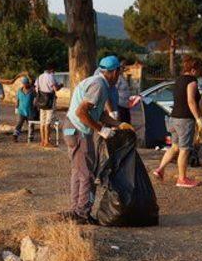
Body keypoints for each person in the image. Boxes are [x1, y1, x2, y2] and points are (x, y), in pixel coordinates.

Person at [61, 55, 132, 224]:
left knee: (79, 172)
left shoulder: (96, 82)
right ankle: (82, 213)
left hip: (73, 129)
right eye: (119, 72)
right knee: (87, 173)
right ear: (114, 72)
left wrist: (118, 124)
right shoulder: (99, 86)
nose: (119, 76)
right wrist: (101, 130)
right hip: (78, 131)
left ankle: (76, 210)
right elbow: (81, 112)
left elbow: (97, 113)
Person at [152, 56, 202, 188]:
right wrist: (198, 119)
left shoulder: (178, 80)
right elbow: (190, 101)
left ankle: (160, 169)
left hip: (173, 117)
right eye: (199, 70)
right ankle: (182, 179)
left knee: (174, 146)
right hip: (185, 119)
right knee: (184, 149)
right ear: (194, 69)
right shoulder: (192, 82)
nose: (200, 74)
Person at [36, 64, 63, 147]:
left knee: (42, 122)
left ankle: (42, 141)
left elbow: (36, 89)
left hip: (41, 101)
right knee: (48, 122)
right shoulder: (50, 77)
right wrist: (61, 85)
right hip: (49, 102)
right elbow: (55, 89)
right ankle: (47, 141)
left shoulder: (39, 77)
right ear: (51, 70)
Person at [13, 76, 35, 142]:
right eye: (23, 83)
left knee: (30, 125)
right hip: (21, 111)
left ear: (28, 83)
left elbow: (36, 99)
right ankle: (15, 136)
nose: (25, 85)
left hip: (30, 111)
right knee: (19, 123)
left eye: (26, 83)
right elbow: (17, 100)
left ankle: (30, 137)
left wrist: (35, 106)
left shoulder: (32, 91)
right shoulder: (19, 91)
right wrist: (16, 108)